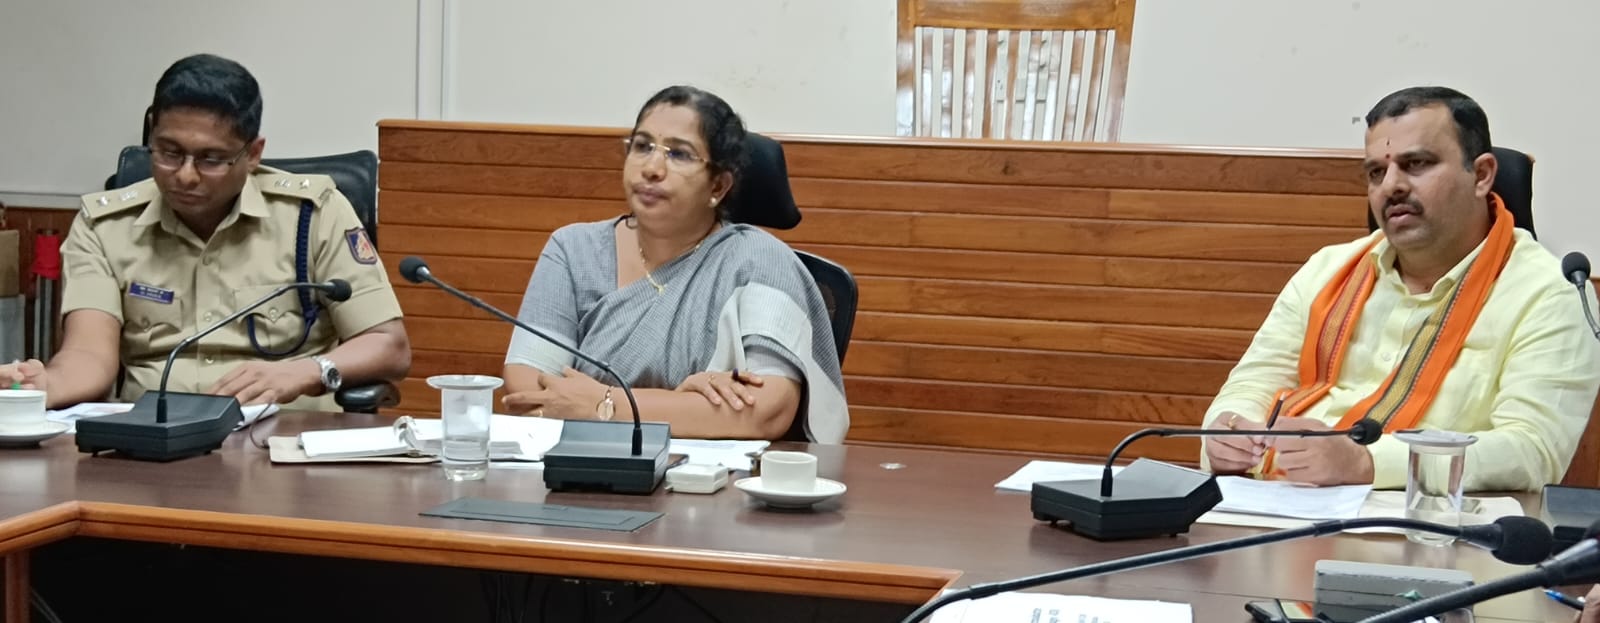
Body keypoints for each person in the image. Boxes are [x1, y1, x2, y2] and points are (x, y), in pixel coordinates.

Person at [1201, 86, 1600, 492]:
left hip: (1428, 519)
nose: (1391, 186)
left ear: (1481, 175)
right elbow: (1252, 385)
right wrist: (1225, 432)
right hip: (1270, 501)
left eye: (1416, 164)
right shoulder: (1327, 268)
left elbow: (1531, 450)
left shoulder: (1550, 292)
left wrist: (1367, 462)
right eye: (1376, 172)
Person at [0, 53, 410, 411]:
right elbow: (89, 354)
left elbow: (388, 344)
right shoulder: (105, 225)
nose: (185, 175)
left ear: (253, 154)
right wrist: (46, 385)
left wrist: (305, 372)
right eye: (169, 152)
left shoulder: (313, 215)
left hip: (283, 441)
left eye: (211, 159)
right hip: (149, 443)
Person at [500, 85, 847, 442]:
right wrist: (683, 405)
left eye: (679, 154)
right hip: (580, 461)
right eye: (642, 146)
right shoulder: (573, 249)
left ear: (718, 186)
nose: (651, 168)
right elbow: (527, 384)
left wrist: (606, 405)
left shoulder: (760, 261)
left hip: (710, 474)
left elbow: (768, 409)